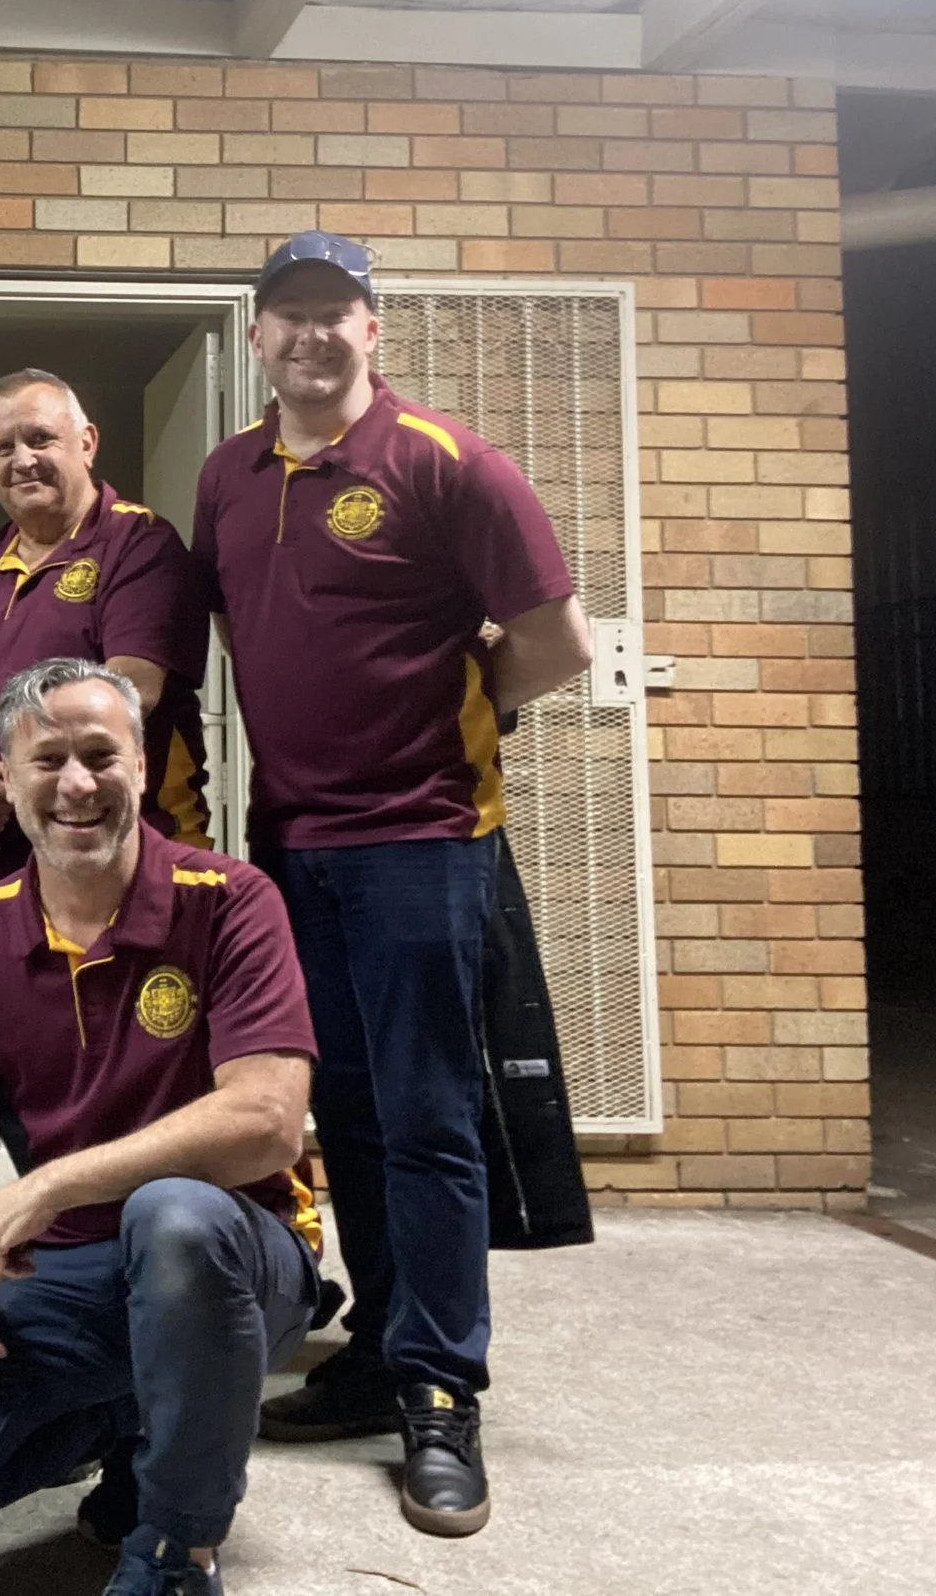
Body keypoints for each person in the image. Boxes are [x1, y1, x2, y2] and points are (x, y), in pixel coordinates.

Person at [193, 230, 594, 1538]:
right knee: (346, 1109)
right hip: (291, 842)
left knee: (426, 1113)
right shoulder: (226, 478)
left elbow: (557, 638)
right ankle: (376, 1350)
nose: (311, 334)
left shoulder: (447, 461)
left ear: (375, 329)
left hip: (425, 836)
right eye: (287, 314)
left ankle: (439, 1389)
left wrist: (477, 706)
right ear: (256, 336)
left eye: (335, 312)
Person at [0, 657, 318, 1596]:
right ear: (9, 780)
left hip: (236, 1255)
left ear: (143, 768)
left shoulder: (234, 900)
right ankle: (142, 1418)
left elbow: (270, 1121)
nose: (77, 784)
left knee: (174, 1216)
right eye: (49, 760)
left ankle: (176, 1546)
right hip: (67, 1267)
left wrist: (52, 1181)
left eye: (101, 756)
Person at [0, 369, 210, 892]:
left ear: (86, 443)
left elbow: (131, 691)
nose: (23, 460)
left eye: (40, 438)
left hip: (121, 858)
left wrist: (6, 785)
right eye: (3, 448)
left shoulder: (138, 543)